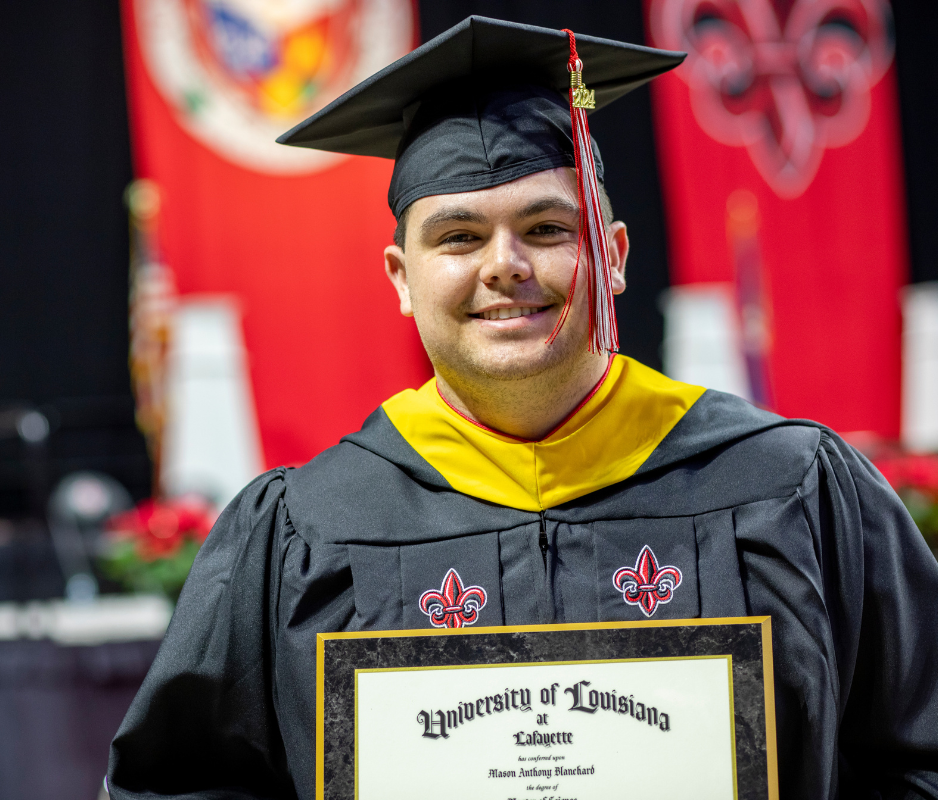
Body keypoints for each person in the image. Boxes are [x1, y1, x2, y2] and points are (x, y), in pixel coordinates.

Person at [107, 16, 938, 800]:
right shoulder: (307, 528)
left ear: (610, 256)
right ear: (402, 277)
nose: (504, 265)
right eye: (459, 237)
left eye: (545, 228)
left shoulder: (786, 485)